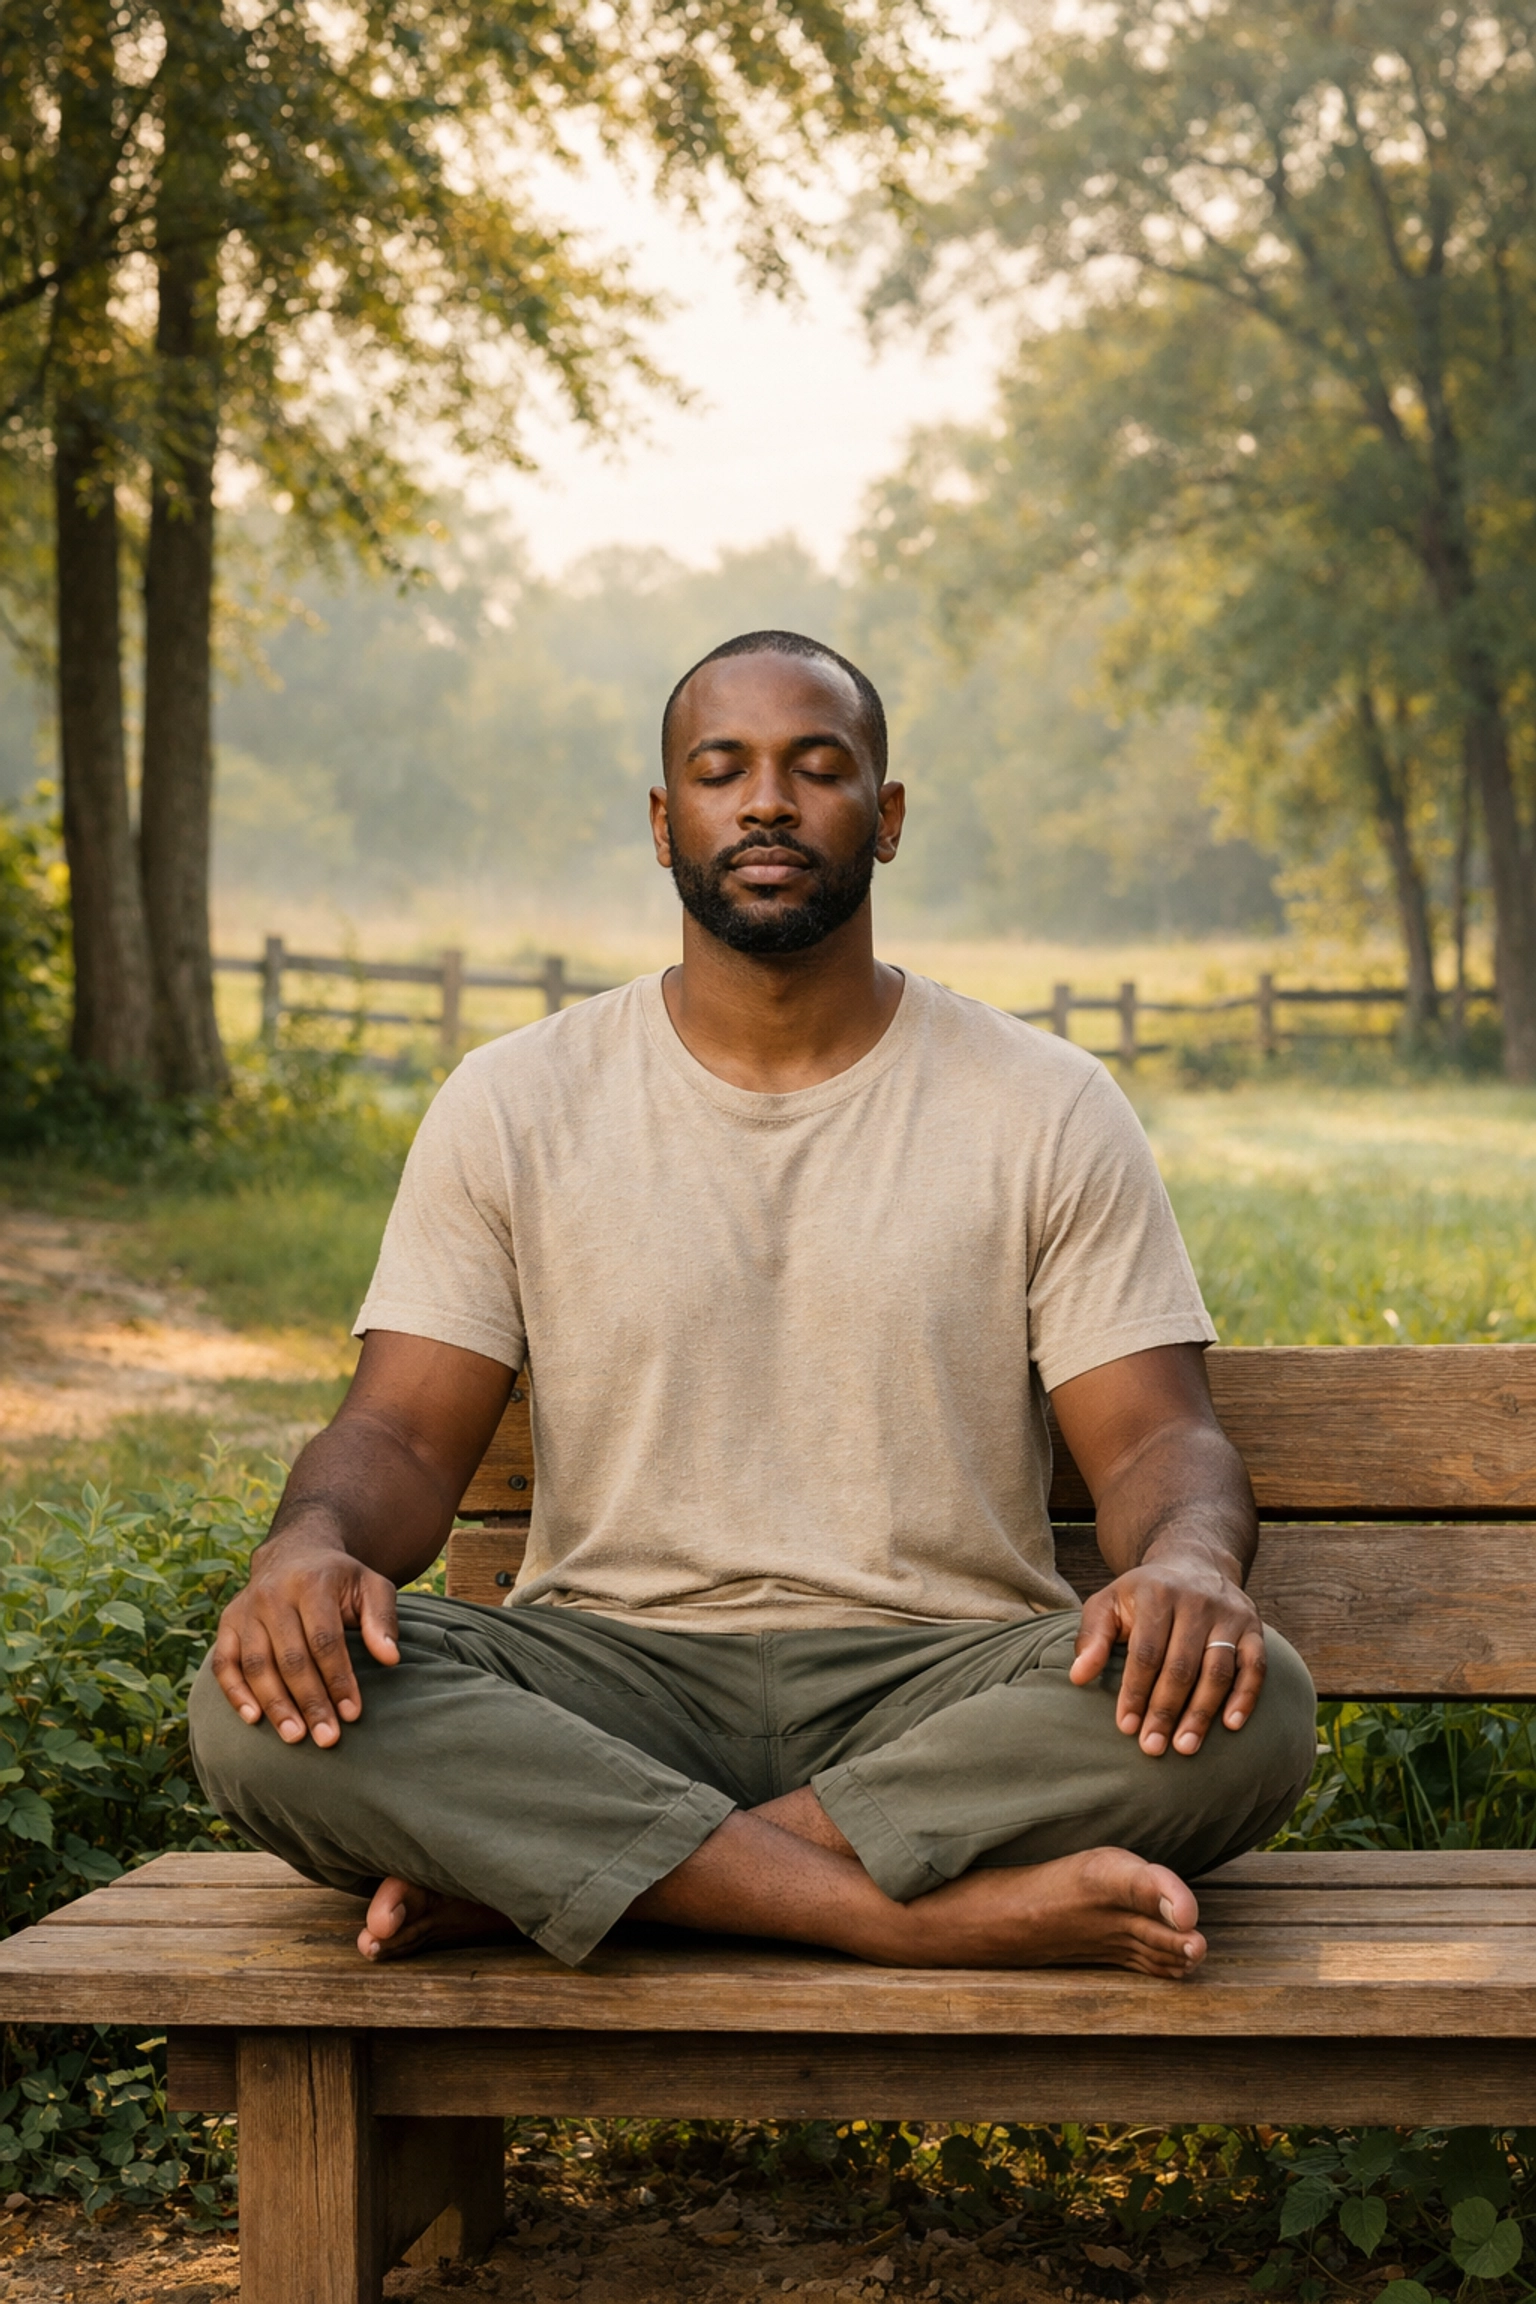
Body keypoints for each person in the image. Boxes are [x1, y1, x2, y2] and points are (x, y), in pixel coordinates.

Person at [189, 630, 1316, 1979]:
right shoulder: (516, 1101)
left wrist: (1186, 1564)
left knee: (1257, 1712)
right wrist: (305, 1551)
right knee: (251, 1709)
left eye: (817, 767)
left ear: (885, 819)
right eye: (722, 771)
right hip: (606, 1678)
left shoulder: (1043, 1103)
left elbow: (1150, 1443)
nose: (767, 801)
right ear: (666, 822)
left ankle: (564, 1878)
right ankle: (916, 1916)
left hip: (938, 1682)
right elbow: (404, 1440)